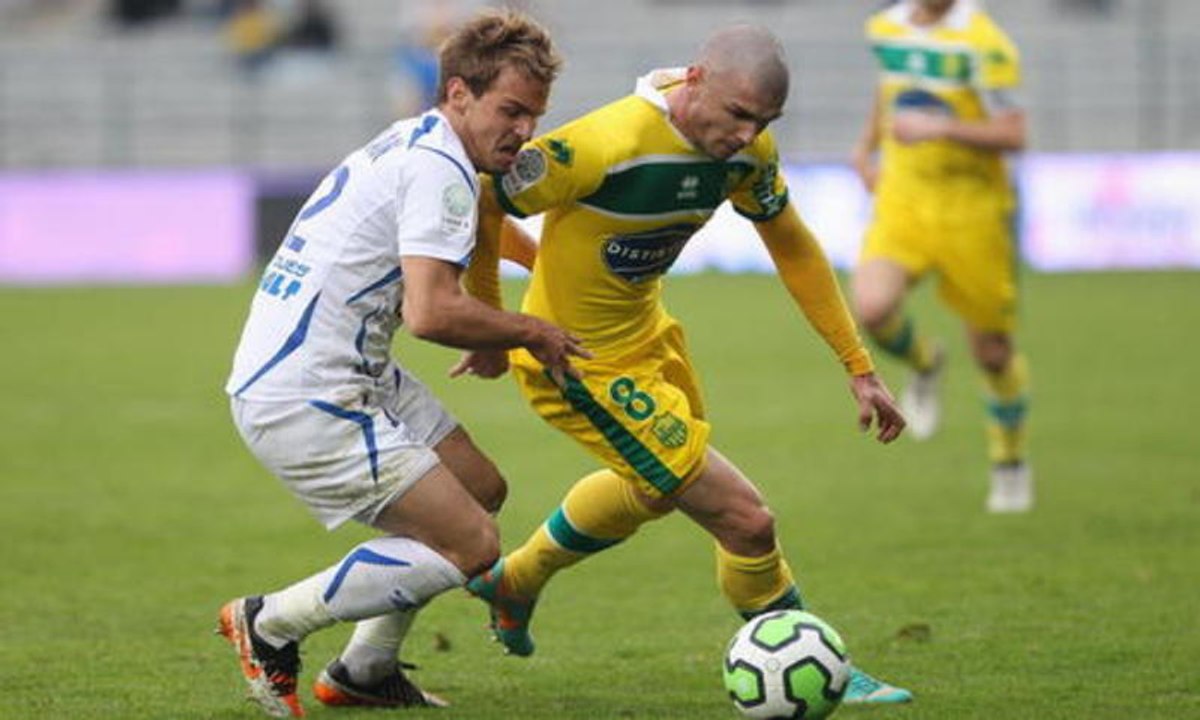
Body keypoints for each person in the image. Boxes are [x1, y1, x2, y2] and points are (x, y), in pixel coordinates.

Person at [460, 24, 914, 705]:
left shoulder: (748, 152)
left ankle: (515, 582)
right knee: (746, 519)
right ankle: (821, 666)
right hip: (578, 365)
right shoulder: (604, 144)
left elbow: (792, 245)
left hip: (651, 342)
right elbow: (484, 199)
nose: (747, 134)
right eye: (738, 114)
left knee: (655, 490)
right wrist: (493, 325)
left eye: (764, 122)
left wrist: (858, 366)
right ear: (696, 80)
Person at [216, 10, 579, 717]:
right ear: (459, 93)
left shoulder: (423, 142)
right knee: (472, 546)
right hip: (306, 392)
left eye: (534, 115)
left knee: (478, 489)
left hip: (344, 369)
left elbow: (465, 233)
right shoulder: (439, 168)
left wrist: (514, 296)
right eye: (511, 111)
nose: (525, 130)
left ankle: (365, 670)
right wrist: (530, 331)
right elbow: (431, 312)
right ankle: (270, 623)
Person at [850, 0, 1032, 512]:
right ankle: (926, 362)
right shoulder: (885, 28)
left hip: (972, 210)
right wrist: (865, 149)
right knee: (871, 309)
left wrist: (940, 128)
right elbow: (887, 93)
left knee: (992, 353)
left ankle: (1010, 462)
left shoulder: (986, 44)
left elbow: (1015, 133)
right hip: (904, 198)